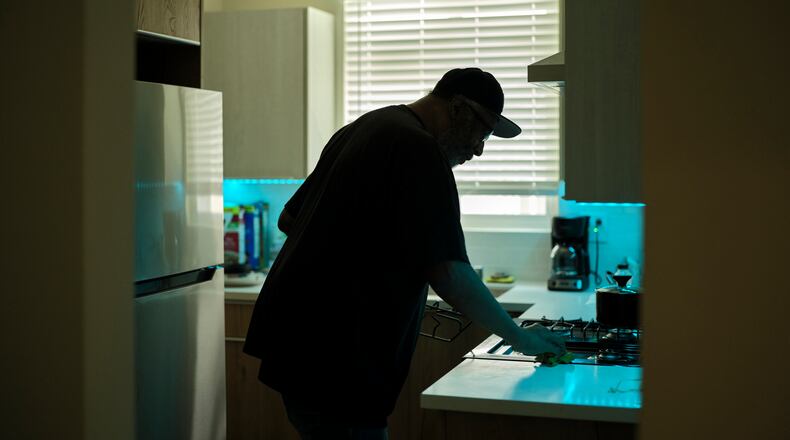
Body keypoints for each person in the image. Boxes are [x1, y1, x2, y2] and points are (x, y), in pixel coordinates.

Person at [243, 67, 566, 440]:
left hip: (300, 349)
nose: (478, 149)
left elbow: (290, 218)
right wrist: (520, 337)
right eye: (483, 132)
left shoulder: (365, 127)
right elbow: (449, 272)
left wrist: (377, 266)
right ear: (458, 108)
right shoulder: (419, 150)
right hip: (340, 361)